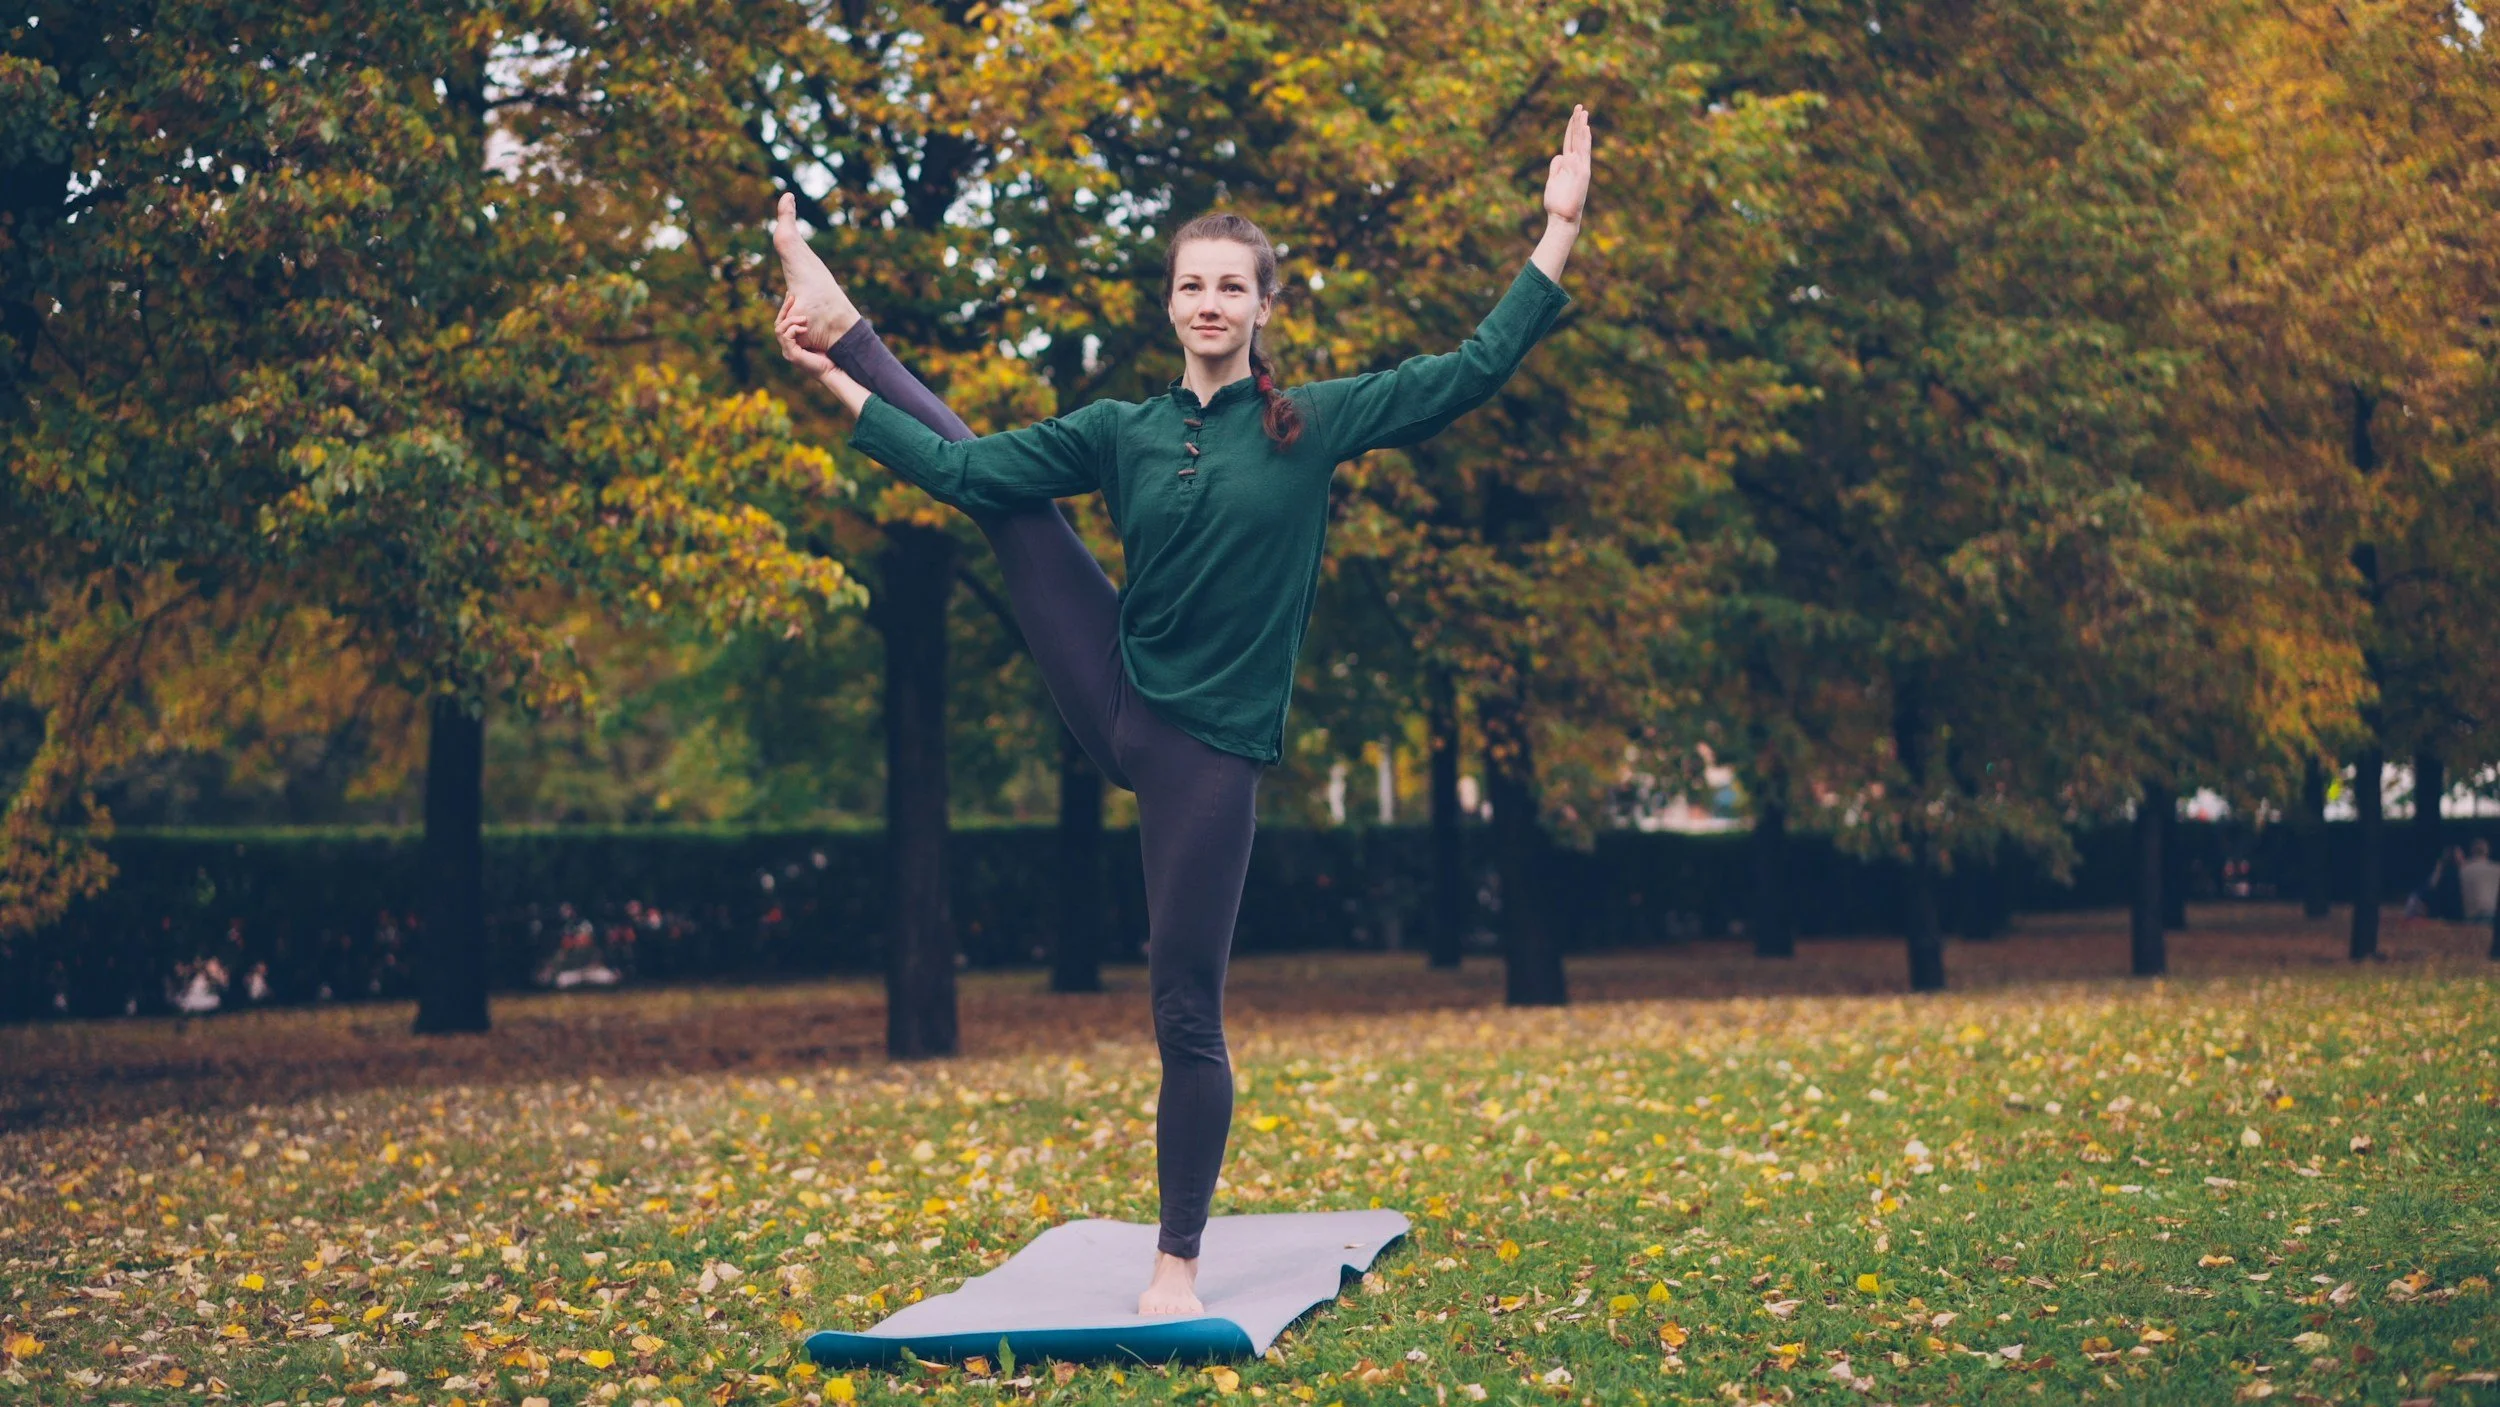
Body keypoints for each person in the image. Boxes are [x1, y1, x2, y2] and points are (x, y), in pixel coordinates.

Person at [771, 106, 1594, 1315]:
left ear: (1264, 305)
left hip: (1207, 753)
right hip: (1114, 690)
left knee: (1181, 1003)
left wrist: (1556, 231)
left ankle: (1177, 1259)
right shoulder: (1125, 432)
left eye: (1231, 286)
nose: (1209, 302)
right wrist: (838, 375)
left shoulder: (1310, 426)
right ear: (1169, 304)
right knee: (1012, 502)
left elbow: (1467, 372)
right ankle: (847, 318)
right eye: (1190, 284)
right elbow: (964, 471)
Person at [2460, 839, 2500, 923]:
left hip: (2470, 915)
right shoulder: (2496, 869)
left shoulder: (2463, 870)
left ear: (2472, 851)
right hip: (2491, 912)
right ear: (2487, 852)